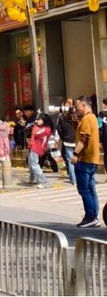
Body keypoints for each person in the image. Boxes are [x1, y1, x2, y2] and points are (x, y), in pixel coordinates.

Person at [72, 96, 101, 229]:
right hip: (92, 159)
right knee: (90, 189)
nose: (76, 110)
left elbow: (83, 138)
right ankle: (94, 216)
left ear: (84, 106)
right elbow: (80, 132)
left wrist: (75, 154)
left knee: (84, 189)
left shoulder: (88, 119)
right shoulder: (91, 118)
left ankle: (90, 217)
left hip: (85, 159)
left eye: (78, 107)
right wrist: (75, 120)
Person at [25, 114, 50, 187]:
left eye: (40, 119)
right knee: (30, 162)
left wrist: (34, 126)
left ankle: (44, 182)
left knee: (34, 164)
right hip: (34, 146)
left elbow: (36, 134)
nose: (37, 121)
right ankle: (32, 179)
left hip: (37, 147)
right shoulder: (40, 127)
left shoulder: (45, 129)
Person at [56, 100, 77, 185]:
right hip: (77, 140)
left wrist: (62, 137)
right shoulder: (76, 114)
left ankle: (73, 180)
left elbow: (59, 129)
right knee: (78, 159)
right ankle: (79, 178)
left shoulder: (61, 116)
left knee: (69, 160)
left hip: (67, 140)